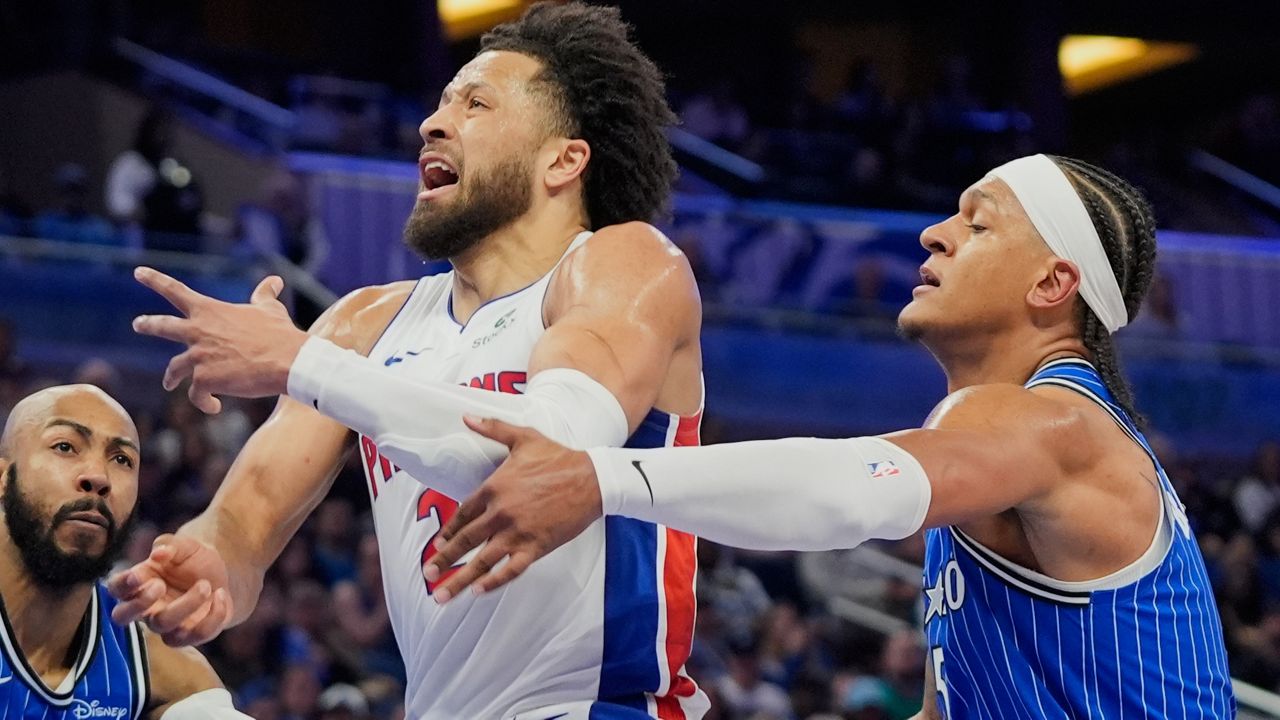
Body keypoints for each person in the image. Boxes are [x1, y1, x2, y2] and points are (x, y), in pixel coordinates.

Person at [420, 154, 1236, 717]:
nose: (934, 235)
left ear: (1054, 284)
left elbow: (846, 490)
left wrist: (602, 479)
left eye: (977, 226)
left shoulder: (1048, 420)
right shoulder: (1007, 454)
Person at [110, 3, 707, 719]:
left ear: (563, 159)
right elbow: (246, 520)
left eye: (477, 102)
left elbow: (550, 455)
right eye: (441, 101)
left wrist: (302, 359)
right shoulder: (363, 325)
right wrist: (213, 567)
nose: (433, 122)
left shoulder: (626, 264)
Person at [0, 385, 250, 718]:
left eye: (122, 459)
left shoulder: (159, 669)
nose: (98, 477)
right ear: (4, 477)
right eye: (65, 446)